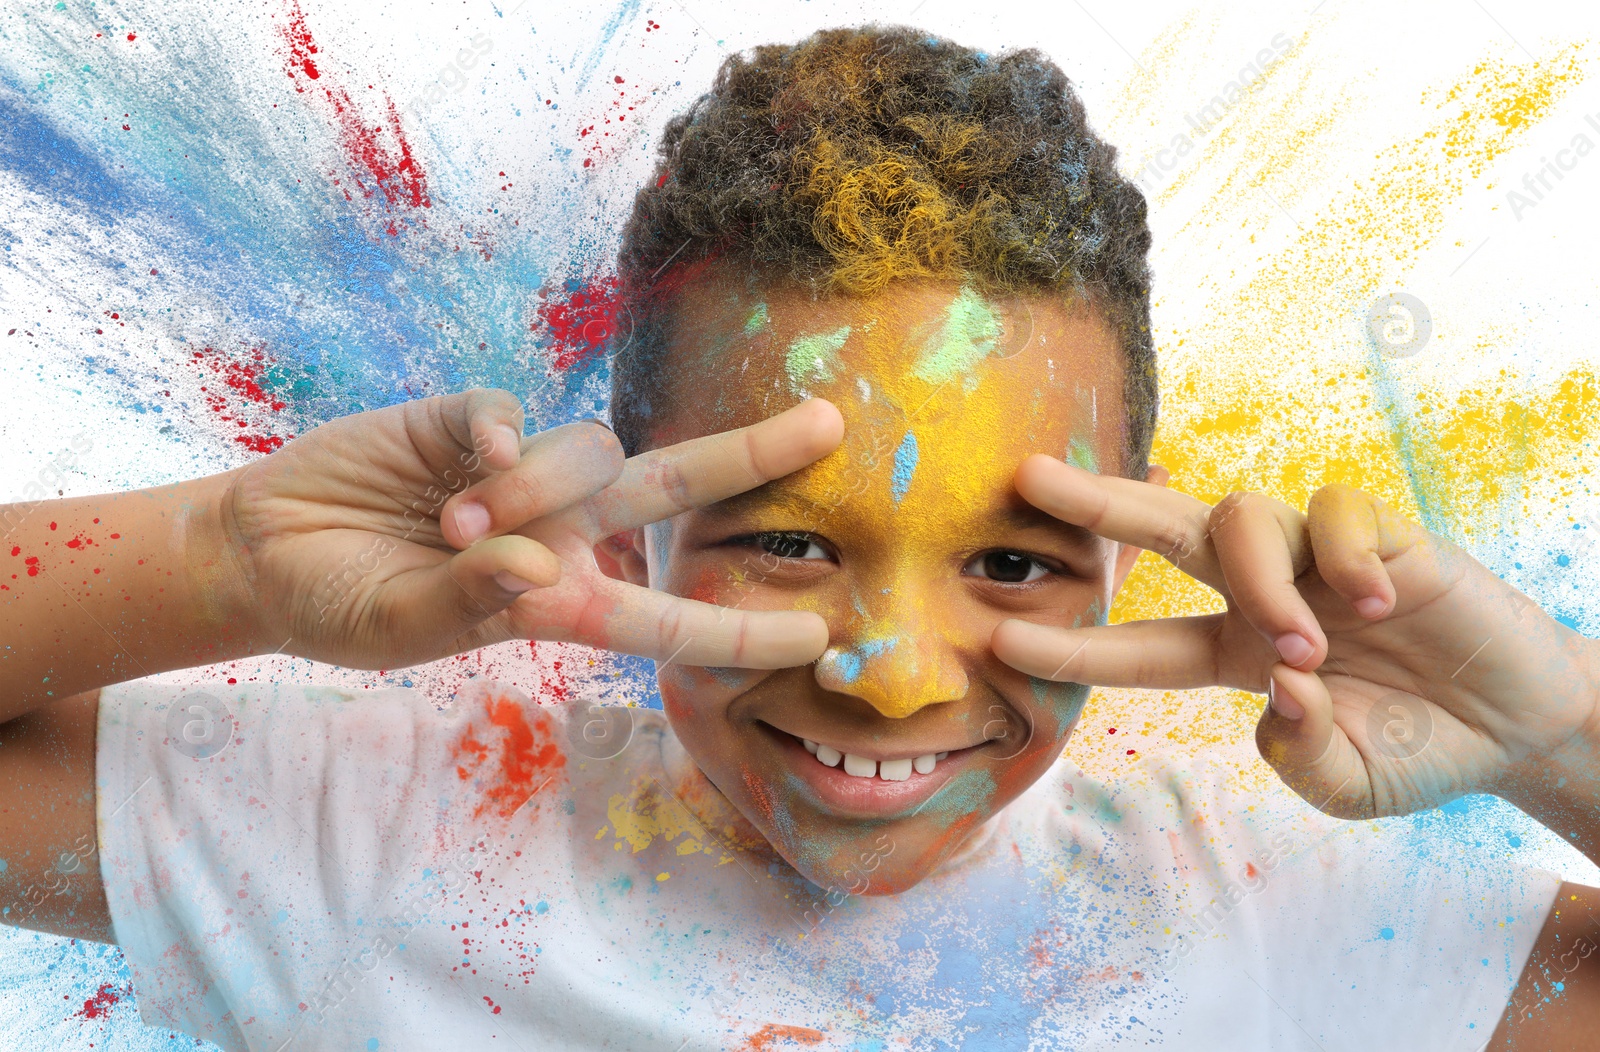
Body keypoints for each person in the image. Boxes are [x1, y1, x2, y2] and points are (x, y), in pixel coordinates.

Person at [2, 24, 1597, 1051]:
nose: (894, 681)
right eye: (784, 545)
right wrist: (215, 554)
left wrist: (1560, 731)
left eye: (1013, 560)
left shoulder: (1273, 910)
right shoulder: (383, 838)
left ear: (1131, 552)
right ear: (632, 535)